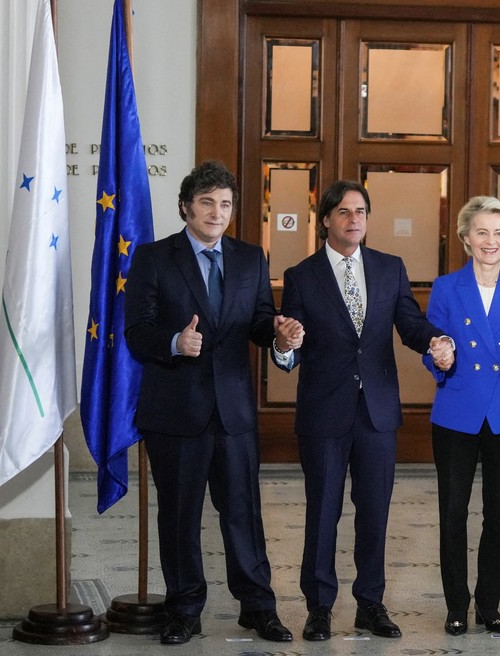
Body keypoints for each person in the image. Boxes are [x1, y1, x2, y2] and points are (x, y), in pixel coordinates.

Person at [125, 161, 299, 645]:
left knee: (243, 511)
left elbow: (260, 321)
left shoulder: (249, 258)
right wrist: (177, 343)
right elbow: (137, 333)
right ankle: (184, 609)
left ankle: (258, 606)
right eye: (206, 203)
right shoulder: (153, 258)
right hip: (176, 413)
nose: (217, 213)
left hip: (235, 413)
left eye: (225, 204)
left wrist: (281, 336)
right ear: (186, 206)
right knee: (180, 515)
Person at [272, 180, 454, 641]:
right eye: (345, 211)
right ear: (327, 220)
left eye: (362, 211)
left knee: (374, 512)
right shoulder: (301, 275)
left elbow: (408, 322)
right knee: (324, 511)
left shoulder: (389, 268)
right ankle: (318, 608)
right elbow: (290, 340)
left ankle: (370, 604)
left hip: (376, 412)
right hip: (324, 412)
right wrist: (285, 343)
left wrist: (433, 340)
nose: (355, 219)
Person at [422, 197, 500, 636]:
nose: (489, 241)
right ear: (465, 238)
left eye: (498, 233)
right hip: (457, 411)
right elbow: (433, 348)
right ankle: (456, 605)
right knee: (453, 512)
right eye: (481, 232)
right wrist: (437, 355)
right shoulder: (445, 287)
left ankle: (488, 605)